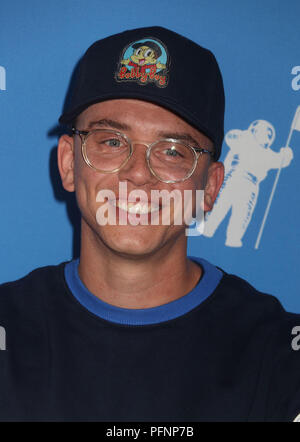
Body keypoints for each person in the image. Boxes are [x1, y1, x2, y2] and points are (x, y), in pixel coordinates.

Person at [0, 26, 299, 422]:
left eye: (173, 151)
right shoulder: (9, 331)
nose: (138, 173)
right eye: (110, 142)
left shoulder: (277, 356)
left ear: (210, 187)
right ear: (69, 164)